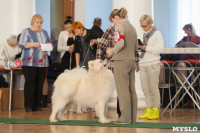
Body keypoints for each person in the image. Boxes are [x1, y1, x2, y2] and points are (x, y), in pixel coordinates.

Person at [106, 8, 138, 124]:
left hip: (121, 61)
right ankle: (132, 119)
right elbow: (135, 46)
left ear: (116, 18)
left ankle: (125, 118)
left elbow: (120, 42)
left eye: (112, 21)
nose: (113, 23)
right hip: (131, 60)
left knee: (122, 90)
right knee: (131, 89)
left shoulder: (119, 26)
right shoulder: (132, 27)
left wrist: (112, 51)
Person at [19, 14, 52, 112]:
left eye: (41, 23)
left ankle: (37, 105)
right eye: (37, 22)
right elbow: (21, 43)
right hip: (29, 63)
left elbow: (50, 44)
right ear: (33, 22)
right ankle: (28, 106)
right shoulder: (26, 31)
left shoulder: (45, 33)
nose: (39, 24)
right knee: (30, 83)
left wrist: (48, 44)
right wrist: (33, 44)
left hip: (42, 63)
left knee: (40, 83)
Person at [138, 15, 164, 120]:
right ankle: (148, 110)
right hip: (143, 63)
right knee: (145, 89)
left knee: (153, 89)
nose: (143, 28)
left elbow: (160, 49)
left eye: (144, 26)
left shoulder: (157, 34)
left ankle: (156, 110)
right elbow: (143, 50)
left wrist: (146, 48)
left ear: (150, 23)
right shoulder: (144, 34)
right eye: (141, 26)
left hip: (153, 63)